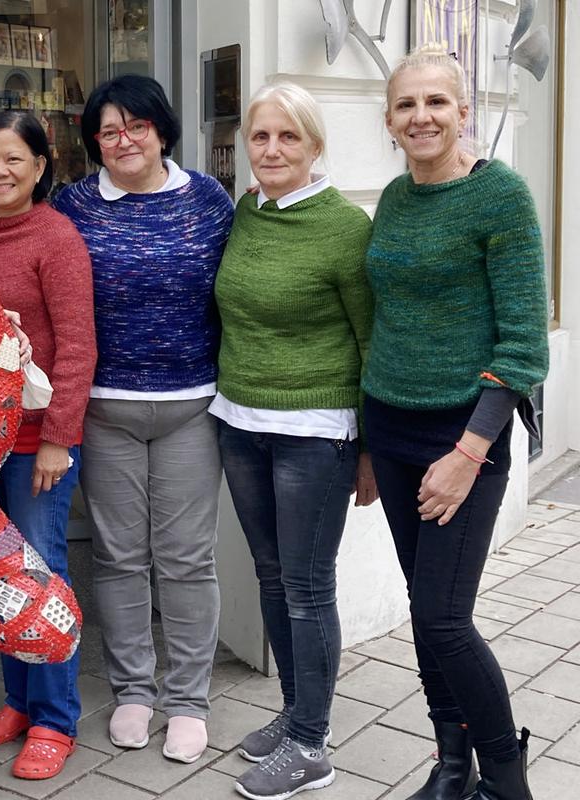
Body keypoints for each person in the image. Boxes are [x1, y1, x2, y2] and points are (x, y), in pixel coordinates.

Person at [366, 45, 548, 800]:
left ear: (463, 111)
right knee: (424, 609)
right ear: (389, 120)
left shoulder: (500, 196)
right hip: (390, 427)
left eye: (436, 102)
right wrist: (367, 445)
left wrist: (470, 452)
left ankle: (505, 781)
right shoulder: (393, 197)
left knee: (444, 619)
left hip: (464, 435)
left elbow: (524, 345)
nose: (422, 117)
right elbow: (385, 315)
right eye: (406, 105)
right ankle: (452, 767)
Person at [53, 74, 234, 764]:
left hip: (193, 405)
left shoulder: (208, 200)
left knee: (186, 558)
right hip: (106, 408)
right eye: (108, 130)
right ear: (94, 142)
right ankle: (133, 689)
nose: (124, 139)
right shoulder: (73, 205)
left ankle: (188, 699)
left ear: (162, 129)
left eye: (137, 125)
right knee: (120, 557)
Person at [210, 82, 376, 800]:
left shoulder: (345, 227)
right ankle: (294, 712)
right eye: (261, 136)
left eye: (288, 137)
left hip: (316, 433)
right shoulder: (249, 211)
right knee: (272, 577)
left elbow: (371, 339)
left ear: (315, 146)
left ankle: (312, 744)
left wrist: (368, 449)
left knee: (308, 589)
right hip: (241, 422)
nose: (273, 149)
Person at [0, 111, 96, 780]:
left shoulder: (56, 237)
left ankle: (55, 719)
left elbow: (77, 347)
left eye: (14, 159)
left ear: (40, 167)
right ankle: (18, 700)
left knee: (40, 572)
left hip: (39, 441)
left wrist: (59, 439)